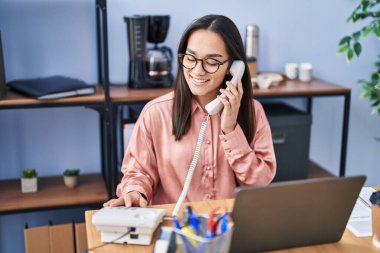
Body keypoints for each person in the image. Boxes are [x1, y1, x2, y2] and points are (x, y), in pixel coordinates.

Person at [104, 14, 276, 208]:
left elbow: (260, 184)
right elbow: (138, 173)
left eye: (212, 62)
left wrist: (230, 130)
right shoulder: (155, 113)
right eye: (191, 58)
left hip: (229, 228)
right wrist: (135, 192)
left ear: (233, 67)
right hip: (174, 227)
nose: (197, 70)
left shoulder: (254, 112)